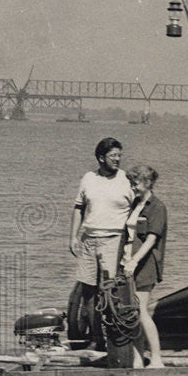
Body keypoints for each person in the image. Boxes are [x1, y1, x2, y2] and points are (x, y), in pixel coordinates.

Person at [69, 138, 134, 344]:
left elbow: (139, 211)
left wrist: (131, 244)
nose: (117, 159)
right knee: (88, 289)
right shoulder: (88, 178)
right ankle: (97, 336)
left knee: (110, 290)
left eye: (119, 155)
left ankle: (115, 336)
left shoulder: (127, 180)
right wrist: (73, 237)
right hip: (89, 240)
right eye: (113, 155)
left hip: (113, 240)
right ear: (100, 158)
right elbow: (78, 208)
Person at [121, 164, 167, 369]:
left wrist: (134, 260)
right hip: (129, 264)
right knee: (132, 313)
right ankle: (138, 359)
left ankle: (157, 359)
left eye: (136, 183)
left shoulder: (157, 207)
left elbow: (151, 239)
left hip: (144, 264)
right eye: (131, 183)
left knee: (141, 311)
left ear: (148, 183)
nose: (133, 187)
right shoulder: (136, 204)